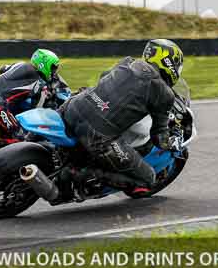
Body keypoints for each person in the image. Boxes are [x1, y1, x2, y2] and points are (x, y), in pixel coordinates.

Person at [57, 39, 184, 200]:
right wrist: (173, 143)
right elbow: (159, 136)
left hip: (73, 107)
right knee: (148, 178)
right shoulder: (164, 93)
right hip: (97, 135)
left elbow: (103, 77)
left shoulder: (127, 62)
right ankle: (79, 175)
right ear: (169, 63)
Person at [0, 49, 62, 145]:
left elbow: (2, 69)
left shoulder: (20, 64)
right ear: (43, 64)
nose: (54, 72)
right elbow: (36, 111)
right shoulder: (40, 83)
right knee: (20, 138)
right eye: (53, 68)